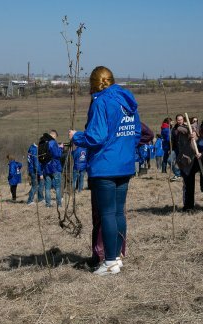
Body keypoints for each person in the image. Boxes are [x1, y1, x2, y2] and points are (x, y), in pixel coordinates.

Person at [69, 66, 141, 276]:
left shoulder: (101, 102)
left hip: (105, 165)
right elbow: (136, 132)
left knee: (107, 213)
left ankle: (109, 261)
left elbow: (96, 136)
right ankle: (117, 256)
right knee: (119, 212)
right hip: (125, 164)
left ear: (93, 83)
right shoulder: (127, 102)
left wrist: (77, 136)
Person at [177, 119, 203, 210]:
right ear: (201, 129)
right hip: (189, 161)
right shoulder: (193, 129)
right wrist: (192, 132)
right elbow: (179, 128)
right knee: (189, 184)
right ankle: (188, 206)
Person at [39, 130, 64, 208]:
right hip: (55, 167)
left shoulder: (43, 142)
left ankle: (48, 204)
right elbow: (57, 155)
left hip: (46, 168)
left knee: (47, 188)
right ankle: (59, 204)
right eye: (55, 137)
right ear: (53, 135)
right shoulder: (52, 142)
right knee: (57, 187)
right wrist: (61, 148)